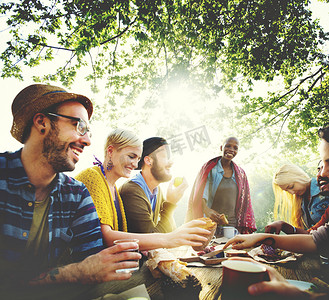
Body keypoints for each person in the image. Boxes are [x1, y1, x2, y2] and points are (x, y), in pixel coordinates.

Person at [0, 84, 141, 299]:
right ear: (42, 122)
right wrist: (75, 273)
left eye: (88, 131)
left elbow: (94, 264)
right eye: (78, 126)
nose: (87, 141)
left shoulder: (76, 194)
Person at [222, 126, 329, 299]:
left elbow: (314, 237)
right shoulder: (303, 201)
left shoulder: (323, 191)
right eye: (321, 165)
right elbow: (317, 237)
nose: (322, 173)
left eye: (291, 186)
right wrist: (274, 232)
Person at [75, 129, 211, 250]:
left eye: (138, 158)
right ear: (110, 151)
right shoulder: (94, 178)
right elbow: (108, 238)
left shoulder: (112, 186)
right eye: (131, 156)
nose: (135, 164)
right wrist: (170, 236)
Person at [186, 136, 256, 234]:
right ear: (221, 148)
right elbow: (200, 192)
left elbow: (244, 202)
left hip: (232, 226)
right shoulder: (210, 169)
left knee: (231, 248)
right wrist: (207, 209)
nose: (231, 150)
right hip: (211, 224)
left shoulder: (241, 174)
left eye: (235, 148)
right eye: (228, 146)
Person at [120, 137, 188, 233]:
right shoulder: (132, 192)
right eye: (165, 156)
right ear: (148, 161)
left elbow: (170, 231)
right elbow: (152, 238)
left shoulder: (156, 190)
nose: (171, 162)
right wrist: (171, 203)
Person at [266, 161, 329, 234]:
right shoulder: (300, 202)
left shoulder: (325, 188)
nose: (292, 193)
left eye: (291, 187)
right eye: (287, 191)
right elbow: (311, 233)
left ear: (299, 177)